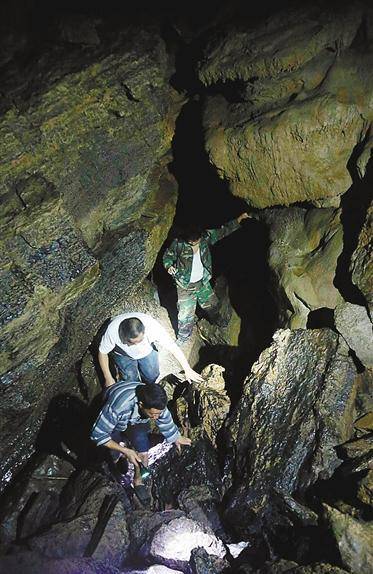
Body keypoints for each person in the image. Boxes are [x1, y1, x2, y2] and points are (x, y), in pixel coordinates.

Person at [91, 380, 190, 504]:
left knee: (143, 448)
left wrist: (176, 437)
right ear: (141, 404)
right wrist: (124, 450)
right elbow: (97, 434)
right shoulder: (118, 406)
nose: (155, 418)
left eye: (158, 414)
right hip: (115, 418)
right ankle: (115, 470)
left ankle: (138, 480)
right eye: (153, 414)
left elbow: (165, 420)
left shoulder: (156, 403)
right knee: (113, 453)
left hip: (137, 419)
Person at [163, 212, 254, 343]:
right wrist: (168, 266)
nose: (194, 243)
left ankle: (218, 321)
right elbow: (167, 256)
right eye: (191, 241)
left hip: (202, 282)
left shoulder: (206, 237)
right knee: (185, 315)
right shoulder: (178, 244)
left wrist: (239, 219)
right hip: (184, 285)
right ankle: (183, 338)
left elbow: (224, 231)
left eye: (196, 241)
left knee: (213, 305)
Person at [98, 312, 203, 387]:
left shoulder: (153, 327)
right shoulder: (112, 331)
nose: (136, 346)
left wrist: (187, 368)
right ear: (123, 335)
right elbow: (102, 352)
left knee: (152, 375)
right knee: (129, 379)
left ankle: (147, 388)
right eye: (131, 343)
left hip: (146, 352)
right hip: (123, 354)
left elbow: (173, 347)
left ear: (144, 331)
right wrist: (108, 377)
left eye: (140, 340)